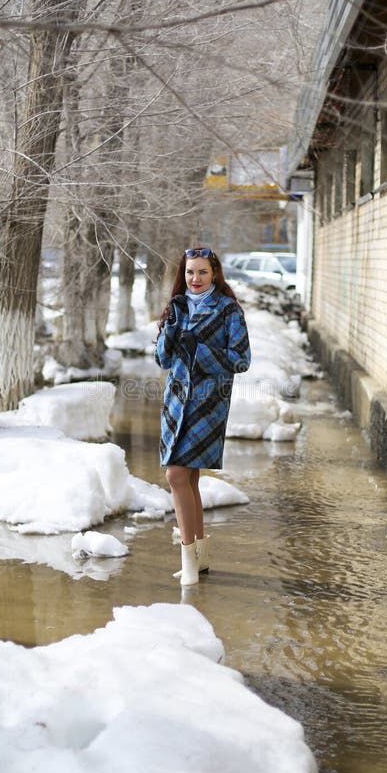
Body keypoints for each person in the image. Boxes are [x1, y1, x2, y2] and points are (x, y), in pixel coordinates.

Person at [155, 246, 251, 586]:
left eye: (202, 272)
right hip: (176, 402)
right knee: (188, 478)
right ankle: (199, 558)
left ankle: (189, 562)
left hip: (208, 404)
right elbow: (163, 361)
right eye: (190, 272)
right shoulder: (177, 307)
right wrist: (171, 330)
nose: (195, 279)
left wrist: (201, 349)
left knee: (176, 476)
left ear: (215, 275)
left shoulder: (228, 310)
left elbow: (241, 360)